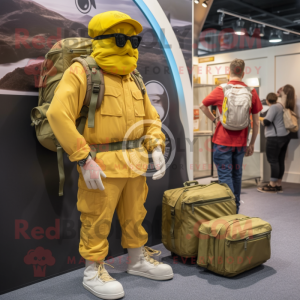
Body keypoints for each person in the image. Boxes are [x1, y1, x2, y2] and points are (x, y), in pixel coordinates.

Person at [47, 11, 173, 300]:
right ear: (103, 39)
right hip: (100, 165)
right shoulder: (83, 71)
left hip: (135, 162)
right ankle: (93, 270)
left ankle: (137, 260)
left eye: (134, 40)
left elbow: (150, 118)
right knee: (96, 218)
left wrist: (155, 146)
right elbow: (58, 114)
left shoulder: (134, 77)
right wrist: (83, 157)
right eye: (121, 39)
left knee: (135, 215)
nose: (128, 45)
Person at [200, 59, 262, 213]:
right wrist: (252, 144)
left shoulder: (221, 89)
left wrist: (215, 120)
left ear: (230, 71)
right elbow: (256, 122)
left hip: (222, 141)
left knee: (225, 176)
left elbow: (203, 106)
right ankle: (235, 210)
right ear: (243, 72)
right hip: (241, 143)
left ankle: (228, 212)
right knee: (236, 175)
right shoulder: (251, 91)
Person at [257, 85, 295, 193]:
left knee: (273, 160)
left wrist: (260, 119)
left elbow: (267, 122)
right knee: (280, 160)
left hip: (275, 137)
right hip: (284, 136)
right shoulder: (283, 105)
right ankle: (278, 184)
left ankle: (272, 185)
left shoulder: (274, 107)